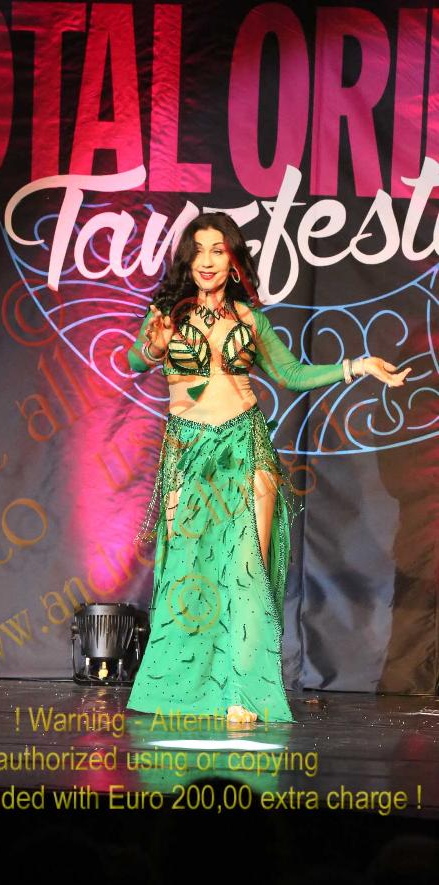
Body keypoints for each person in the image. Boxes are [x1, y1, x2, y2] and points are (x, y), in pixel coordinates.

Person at [125, 212, 412, 726]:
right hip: (186, 450)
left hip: (245, 444)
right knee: (187, 570)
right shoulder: (165, 315)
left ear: (233, 260)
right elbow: (134, 361)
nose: (207, 261)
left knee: (246, 569)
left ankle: (245, 691)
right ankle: (183, 690)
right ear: (187, 260)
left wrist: (357, 366)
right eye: (199, 251)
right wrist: (155, 346)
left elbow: (291, 373)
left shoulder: (251, 321)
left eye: (218, 251)